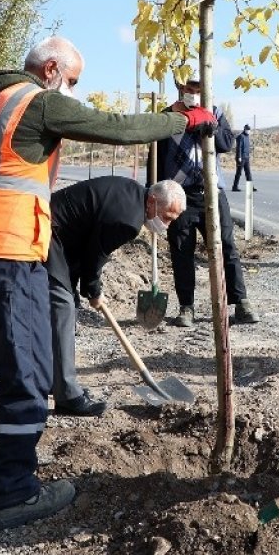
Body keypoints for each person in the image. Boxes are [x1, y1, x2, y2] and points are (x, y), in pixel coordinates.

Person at [0, 36, 216, 529]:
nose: (73, 91)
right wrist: (179, 120)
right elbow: (115, 128)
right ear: (52, 68)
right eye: (74, 80)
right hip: (6, 250)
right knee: (28, 375)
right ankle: (15, 493)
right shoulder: (35, 103)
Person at [48, 177, 186, 417]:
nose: (166, 225)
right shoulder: (128, 221)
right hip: (48, 233)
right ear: (152, 201)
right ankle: (67, 397)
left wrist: (88, 288)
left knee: (62, 307)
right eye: (166, 217)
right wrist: (94, 290)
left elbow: (90, 242)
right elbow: (95, 255)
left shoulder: (133, 193)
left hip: (61, 237)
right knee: (62, 311)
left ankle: (56, 382)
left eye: (171, 220)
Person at [152, 77, 259, 328]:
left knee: (227, 248)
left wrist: (208, 129)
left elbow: (226, 143)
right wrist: (154, 196)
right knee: (181, 251)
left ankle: (241, 303)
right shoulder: (167, 116)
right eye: (190, 89)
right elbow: (156, 158)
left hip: (212, 190)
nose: (194, 94)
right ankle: (186, 307)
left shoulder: (215, 113)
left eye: (199, 90)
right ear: (180, 89)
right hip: (178, 194)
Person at [232, 124, 255, 192]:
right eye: (247, 130)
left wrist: (249, 155)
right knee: (239, 173)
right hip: (241, 158)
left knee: (248, 172)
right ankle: (235, 187)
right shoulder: (241, 136)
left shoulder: (247, 137)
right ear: (244, 129)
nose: (248, 131)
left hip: (246, 157)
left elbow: (247, 148)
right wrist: (239, 157)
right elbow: (239, 147)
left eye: (249, 130)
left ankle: (250, 187)